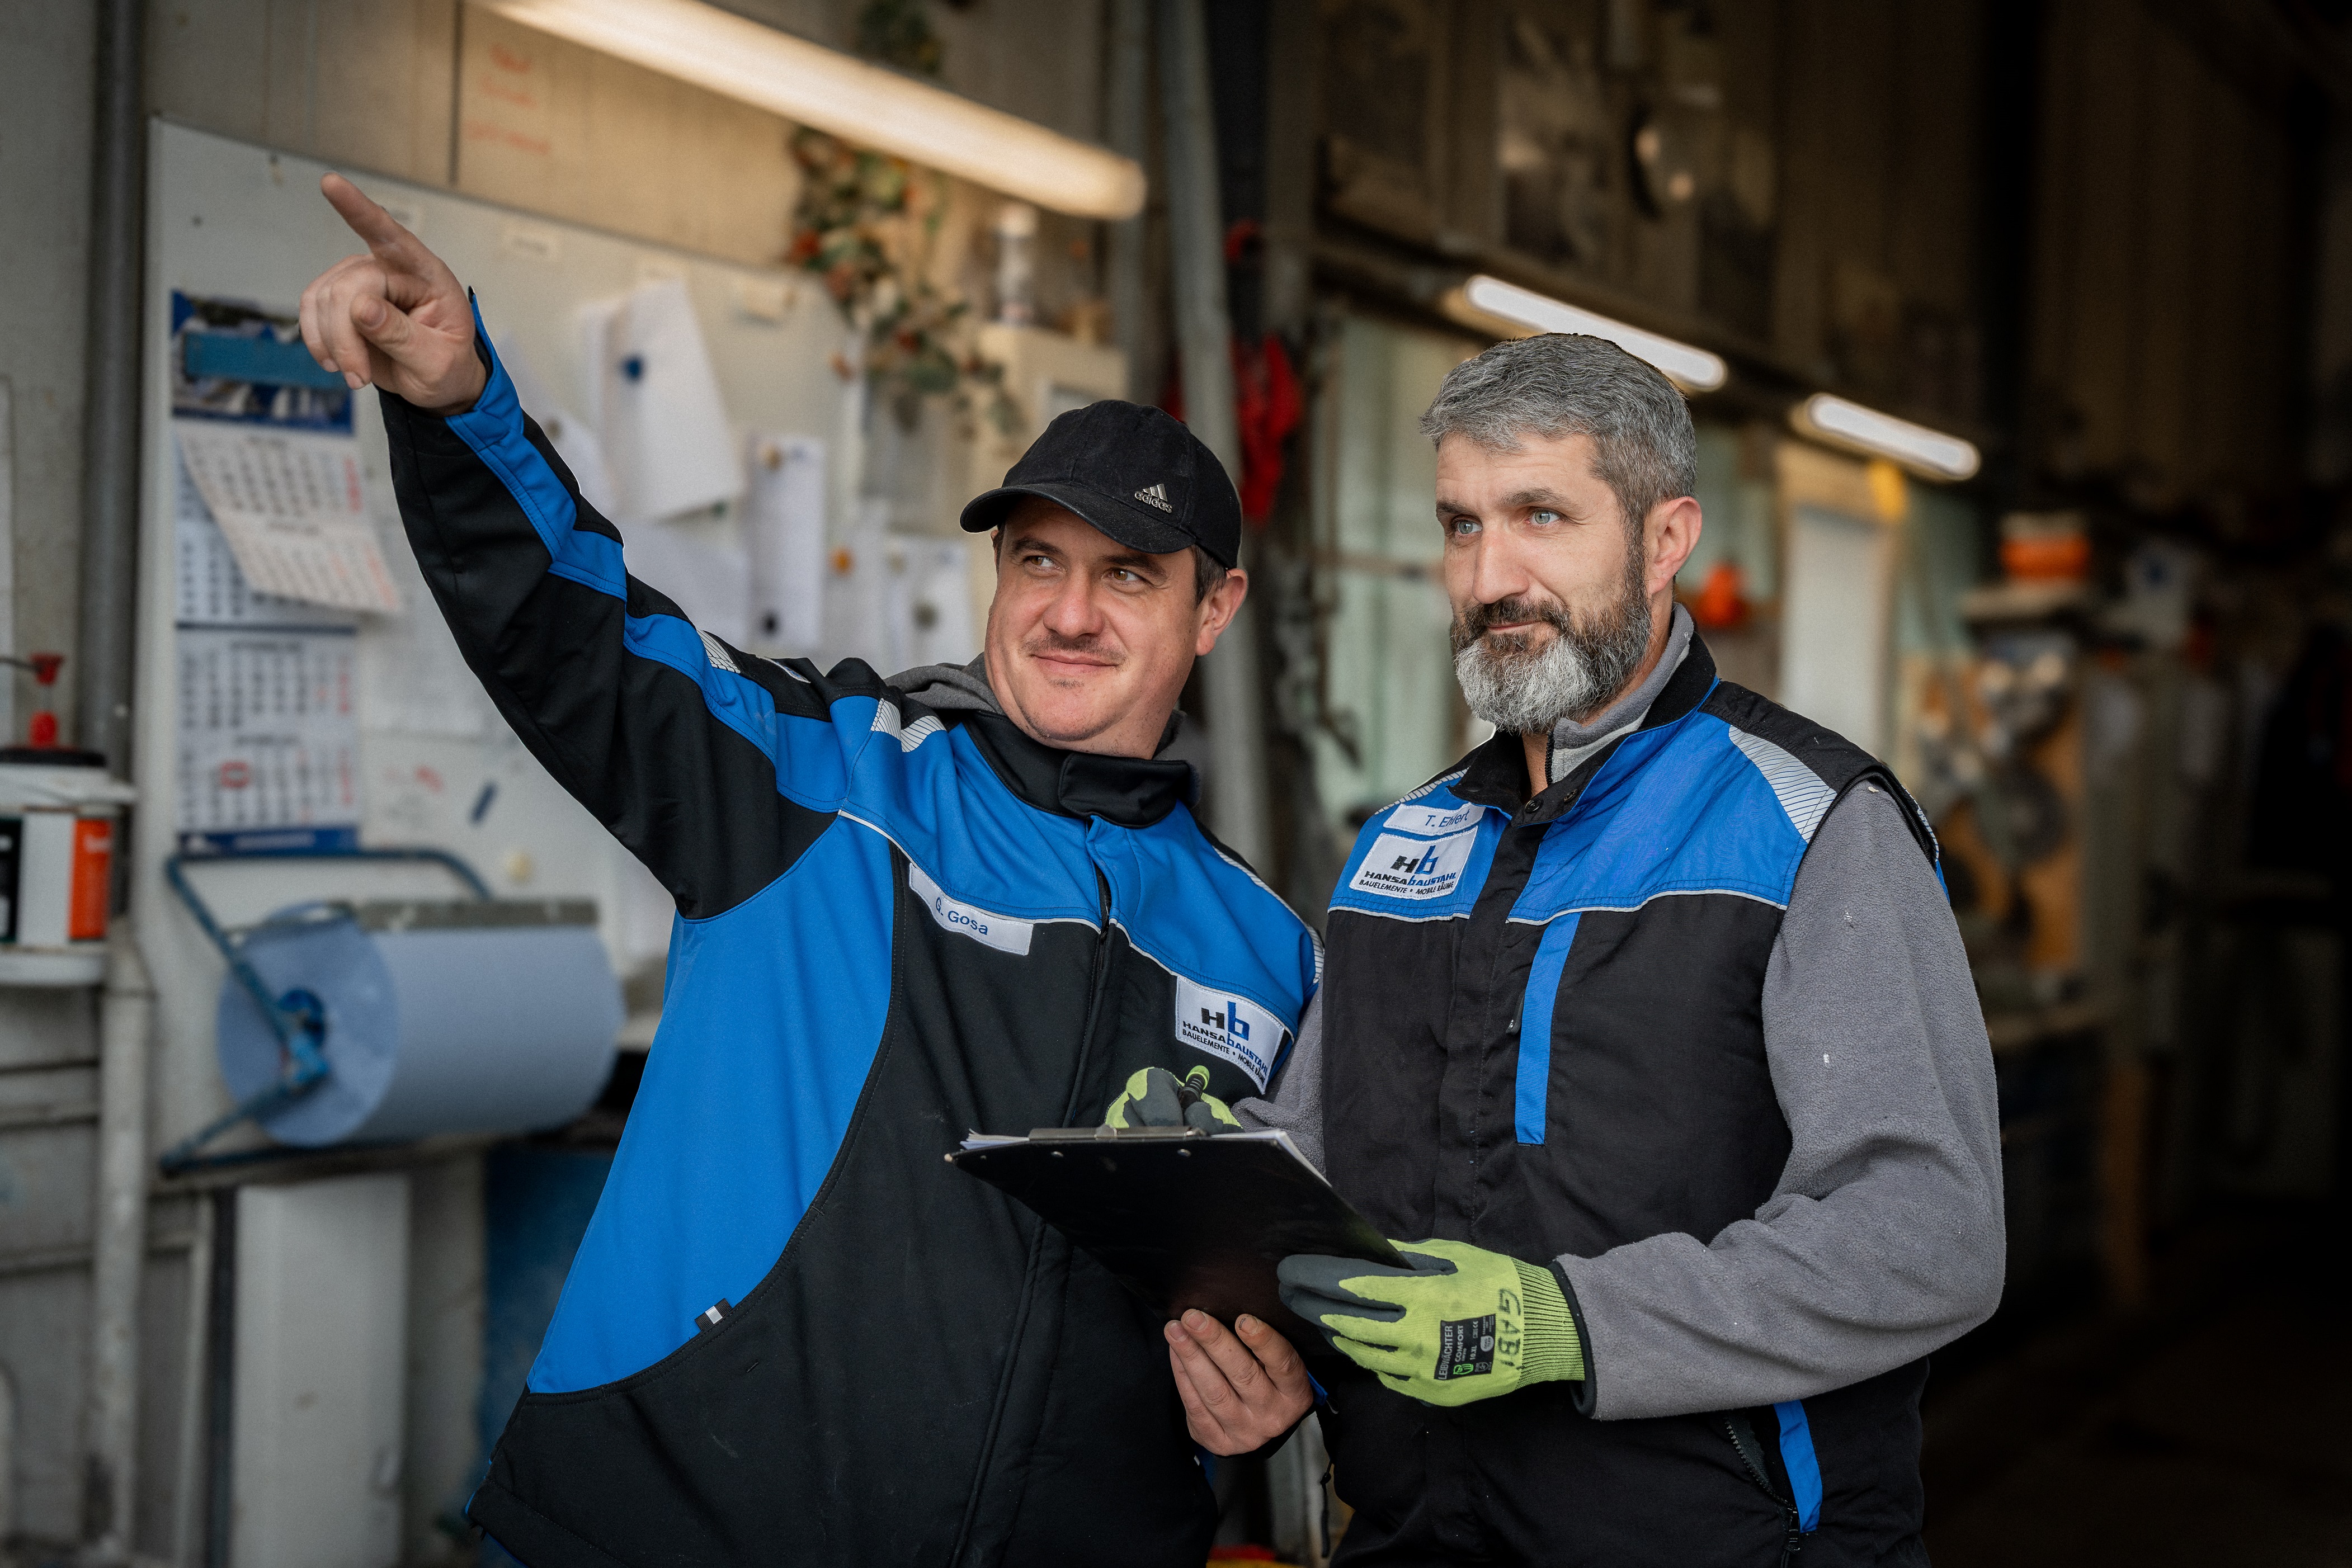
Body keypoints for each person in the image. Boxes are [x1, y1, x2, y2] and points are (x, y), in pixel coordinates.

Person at [298, 172, 1317, 1567]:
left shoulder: (1269, 951)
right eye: (1037, 561)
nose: (1069, 613)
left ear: (1215, 609)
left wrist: (1262, 1398)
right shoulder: (821, 776)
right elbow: (578, 626)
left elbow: (1276, 1279)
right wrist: (462, 401)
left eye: (1130, 575)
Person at [1227, 334, 2002, 1565]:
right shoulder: (1399, 848)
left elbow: (1928, 1232)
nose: (1492, 576)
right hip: (1415, 1534)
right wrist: (1200, 1177)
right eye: (1462, 525)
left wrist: (1565, 1322)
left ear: (1664, 537)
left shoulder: (1812, 826)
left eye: (1542, 516)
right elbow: (1330, 1177)